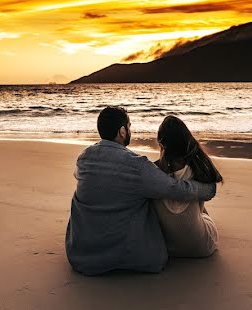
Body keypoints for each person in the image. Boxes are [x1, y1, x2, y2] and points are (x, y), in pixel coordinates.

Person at [65, 106, 217, 275]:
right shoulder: (137, 166)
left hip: (82, 256)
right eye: (129, 126)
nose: (130, 130)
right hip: (132, 257)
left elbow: (79, 175)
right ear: (122, 131)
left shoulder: (84, 157)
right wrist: (207, 190)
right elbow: (176, 189)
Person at [152, 115, 221, 257]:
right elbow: (211, 189)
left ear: (161, 142)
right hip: (202, 248)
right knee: (200, 201)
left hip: (169, 248)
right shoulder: (196, 168)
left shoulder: (151, 172)